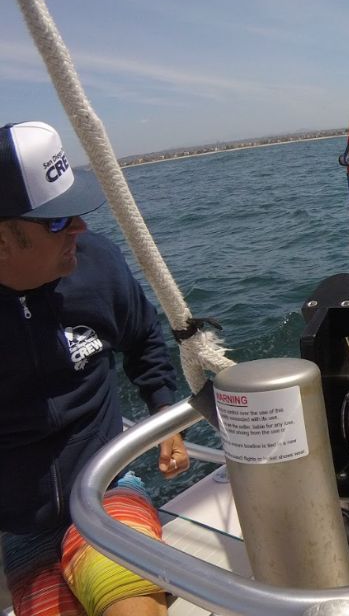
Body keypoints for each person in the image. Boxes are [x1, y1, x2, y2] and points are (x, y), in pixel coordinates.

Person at [0, 121, 189, 616]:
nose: (80, 228)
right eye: (58, 221)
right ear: (3, 240)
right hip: (21, 524)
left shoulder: (98, 264)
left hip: (108, 492)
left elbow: (144, 335)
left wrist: (163, 410)